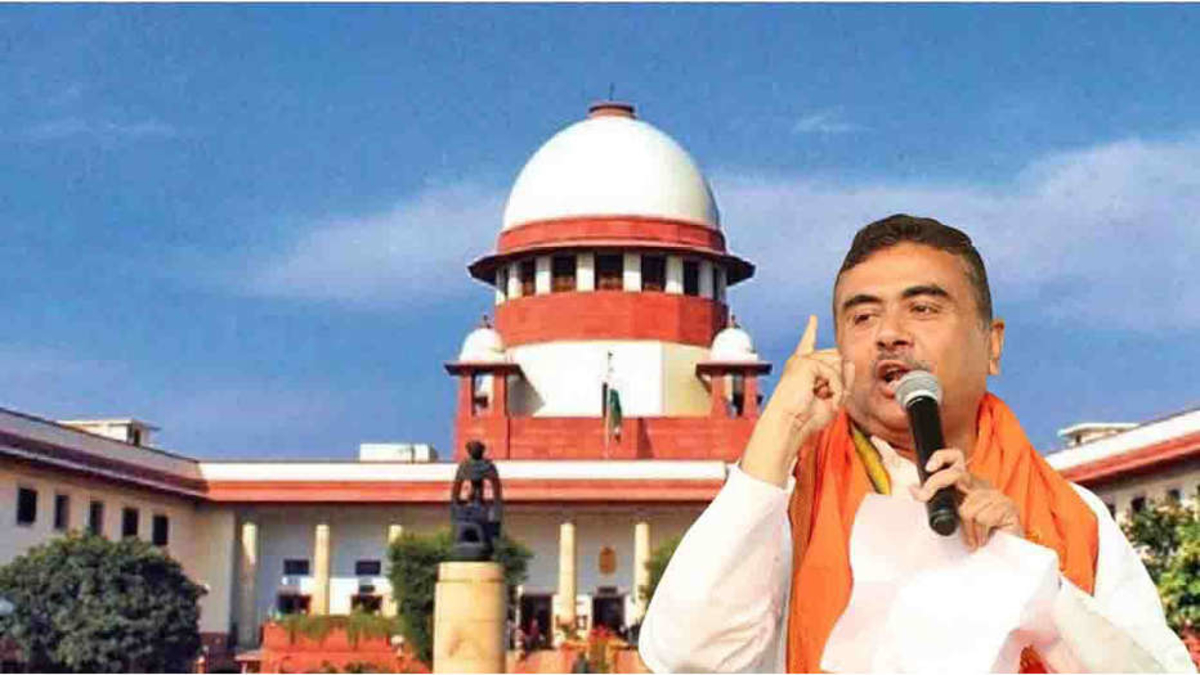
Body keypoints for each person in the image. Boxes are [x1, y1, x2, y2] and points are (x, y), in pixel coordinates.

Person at [639, 215, 1194, 672]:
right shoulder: (785, 503)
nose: (889, 334)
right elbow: (687, 657)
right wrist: (775, 438)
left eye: (923, 308)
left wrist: (1029, 572)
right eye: (863, 316)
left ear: (992, 345)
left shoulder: (1074, 517)